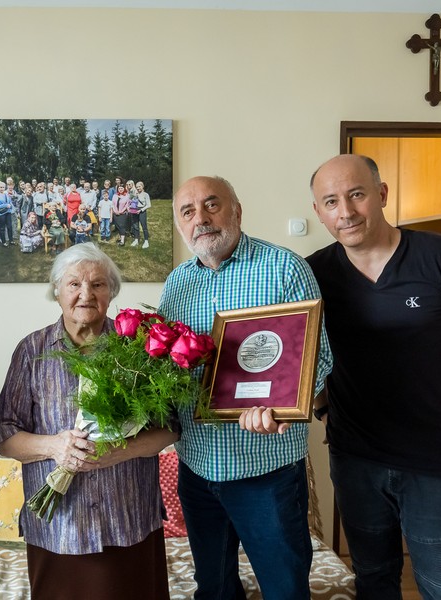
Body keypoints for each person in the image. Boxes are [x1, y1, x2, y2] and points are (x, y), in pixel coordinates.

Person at [306, 154, 441, 600]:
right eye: (331, 201)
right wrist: (322, 406)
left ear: (381, 194)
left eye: (356, 194)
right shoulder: (313, 273)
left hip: (436, 462)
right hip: (355, 459)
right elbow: (303, 350)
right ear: (319, 212)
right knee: (374, 581)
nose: (346, 211)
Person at [158, 175, 333, 600]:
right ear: (181, 226)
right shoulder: (176, 284)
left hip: (265, 472)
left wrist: (283, 405)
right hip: (197, 470)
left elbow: (320, 360)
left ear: (237, 211)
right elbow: (166, 366)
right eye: (188, 212)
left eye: (212, 205)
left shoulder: (285, 269)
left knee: (284, 590)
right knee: (214, 589)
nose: (201, 218)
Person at [0, 243, 175, 600]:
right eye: (74, 284)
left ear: (111, 293)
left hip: (128, 519)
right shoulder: (32, 351)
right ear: (56, 291)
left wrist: (117, 453)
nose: (85, 294)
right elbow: (3, 433)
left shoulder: (136, 349)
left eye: (98, 284)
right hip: (60, 527)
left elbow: (169, 427)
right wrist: (55, 447)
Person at [0, 181, 14, 247]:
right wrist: (5, 205)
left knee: (10, 227)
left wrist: (10, 207)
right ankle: (4, 242)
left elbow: (10, 202)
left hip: (8, 212)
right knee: (2, 228)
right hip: (0, 214)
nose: (2, 188)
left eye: (3, 187)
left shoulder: (6, 194)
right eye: (0, 187)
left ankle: (11, 240)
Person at [133, 180, 151, 248]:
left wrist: (141, 210)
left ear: (142, 186)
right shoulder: (136, 194)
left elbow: (149, 205)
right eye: (137, 187)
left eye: (139, 186)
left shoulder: (146, 194)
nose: (138, 188)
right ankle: (136, 239)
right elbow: (132, 202)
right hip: (135, 211)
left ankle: (146, 241)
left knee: (144, 226)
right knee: (135, 226)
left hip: (142, 211)